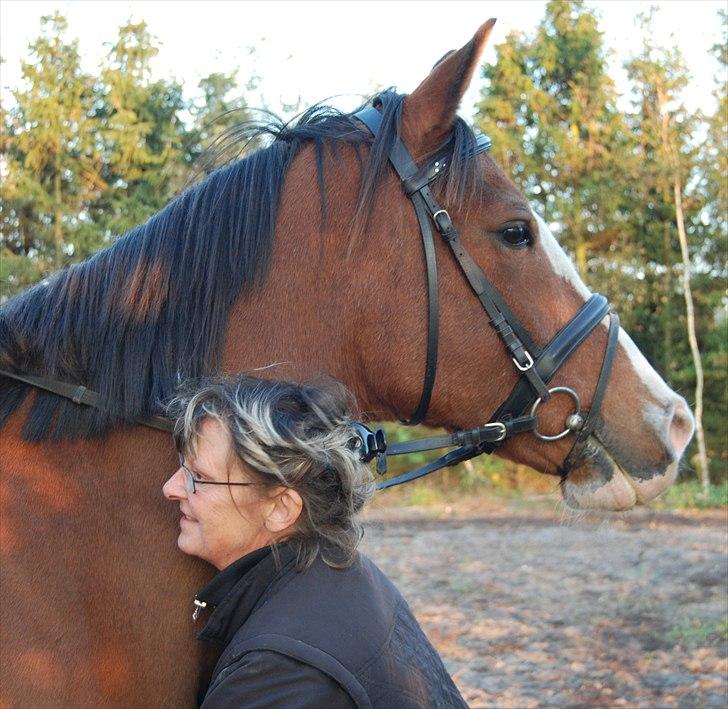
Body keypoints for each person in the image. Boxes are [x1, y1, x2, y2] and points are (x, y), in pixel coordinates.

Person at [162, 375, 467, 708]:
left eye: (200, 478)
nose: (171, 488)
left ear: (281, 508)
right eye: (183, 468)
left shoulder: (279, 671)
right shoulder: (343, 574)